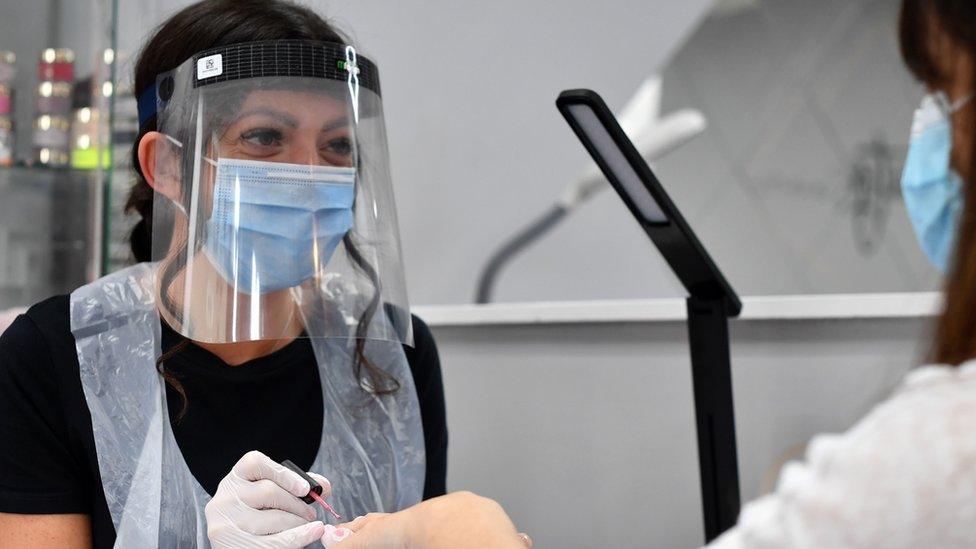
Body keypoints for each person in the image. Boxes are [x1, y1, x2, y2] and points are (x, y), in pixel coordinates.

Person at [311, 0, 976, 547]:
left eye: (941, 94)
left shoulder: (940, 446)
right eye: (262, 139)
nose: (306, 171)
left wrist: (455, 531)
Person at [0, 1, 448, 547]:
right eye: (264, 137)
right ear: (165, 166)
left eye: (336, 146)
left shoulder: (391, 358)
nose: (309, 174)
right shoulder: (55, 358)